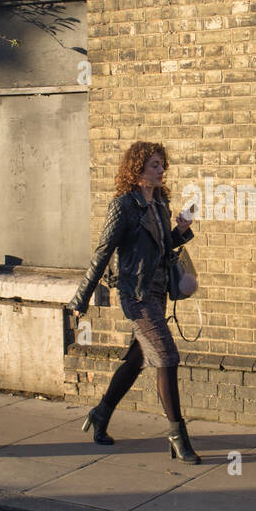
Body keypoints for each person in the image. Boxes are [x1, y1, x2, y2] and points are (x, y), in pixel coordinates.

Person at [68, 141, 202, 463]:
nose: (161, 170)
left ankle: (101, 414)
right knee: (167, 356)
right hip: (136, 295)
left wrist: (181, 230)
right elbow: (103, 252)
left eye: (162, 164)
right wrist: (81, 297)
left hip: (157, 293)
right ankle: (177, 436)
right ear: (137, 169)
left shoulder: (159, 204)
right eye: (154, 165)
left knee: (136, 360)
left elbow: (165, 246)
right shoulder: (123, 206)